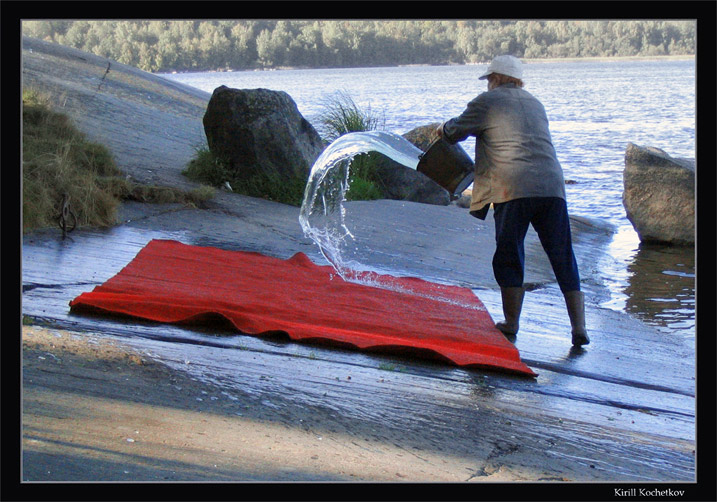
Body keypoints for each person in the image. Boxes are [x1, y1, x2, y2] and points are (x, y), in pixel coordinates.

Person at [436, 55, 589, 347]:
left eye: (489, 79)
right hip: (552, 187)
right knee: (562, 254)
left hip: (512, 186)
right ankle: (578, 327)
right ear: (518, 79)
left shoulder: (486, 101)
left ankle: (511, 323)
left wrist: (441, 128)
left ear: (495, 79)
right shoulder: (535, 103)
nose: (488, 83)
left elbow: (454, 132)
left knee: (509, 251)